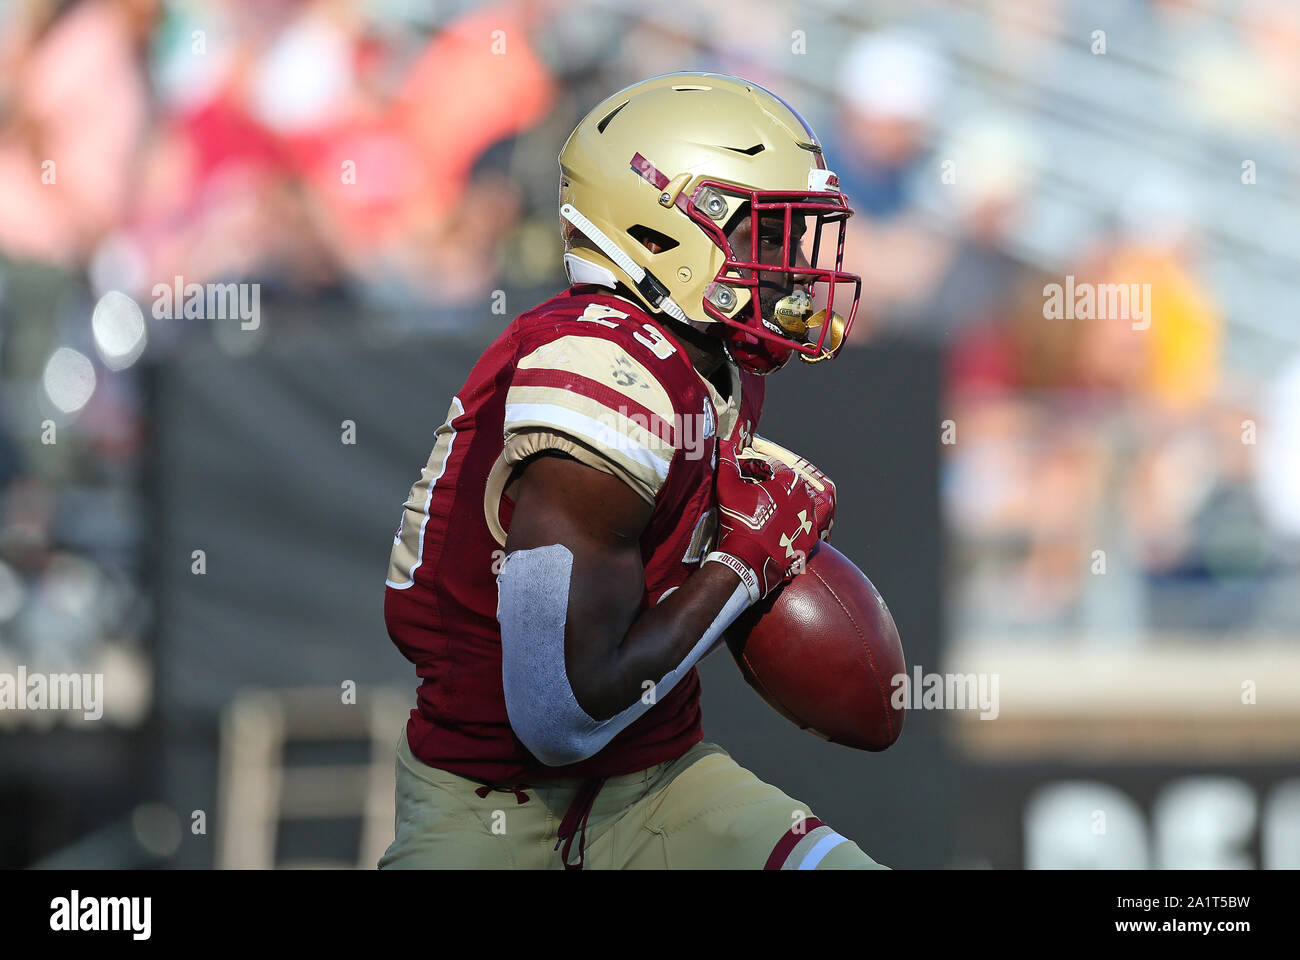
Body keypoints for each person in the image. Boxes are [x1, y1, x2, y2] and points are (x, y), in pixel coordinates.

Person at [379, 73, 885, 869]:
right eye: (768, 234)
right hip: (493, 801)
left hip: (660, 781)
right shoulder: (600, 371)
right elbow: (557, 716)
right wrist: (742, 564)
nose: (793, 267)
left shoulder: (713, 359)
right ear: (660, 233)